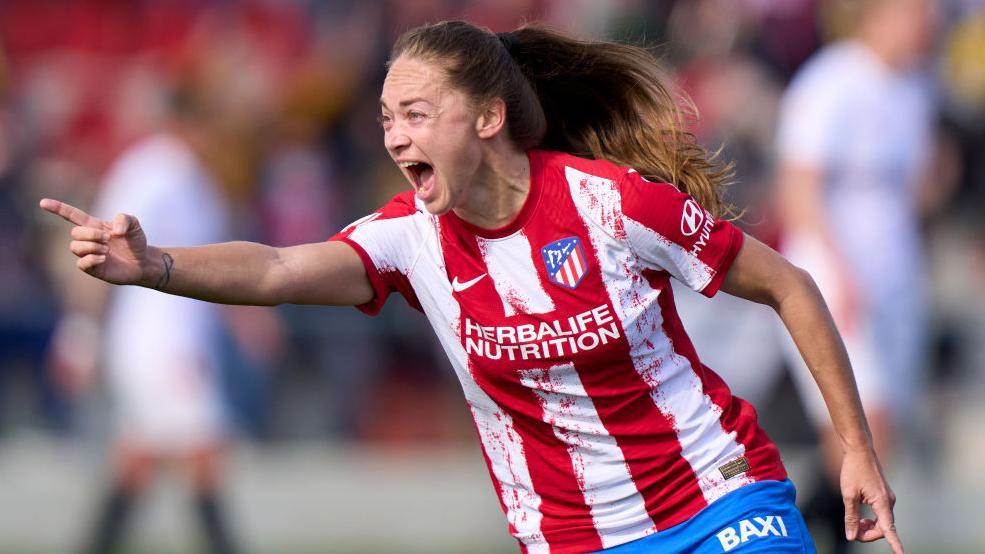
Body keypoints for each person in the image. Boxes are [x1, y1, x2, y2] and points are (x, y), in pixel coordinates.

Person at [41, 20, 901, 554]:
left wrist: (855, 445)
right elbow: (274, 268)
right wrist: (155, 267)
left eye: (415, 114)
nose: (393, 136)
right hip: (570, 539)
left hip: (719, 497)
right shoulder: (409, 240)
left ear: (486, 118)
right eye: (385, 119)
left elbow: (788, 284)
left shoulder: (608, 203)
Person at [774, 1, 937, 550]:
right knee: (861, 425)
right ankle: (810, 528)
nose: (927, 25)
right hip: (836, 273)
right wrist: (836, 275)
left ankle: (813, 529)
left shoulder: (914, 88)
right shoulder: (831, 81)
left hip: (894, 273)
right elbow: (799, 187)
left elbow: (916, 184)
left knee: (879, 430)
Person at [47, 96, 240, 554]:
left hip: (175, 342)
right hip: (157, 345)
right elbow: (98, 249)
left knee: (136, 461)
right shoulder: (150, 170)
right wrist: (80, 337)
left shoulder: (195, 179)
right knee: (206, 453)